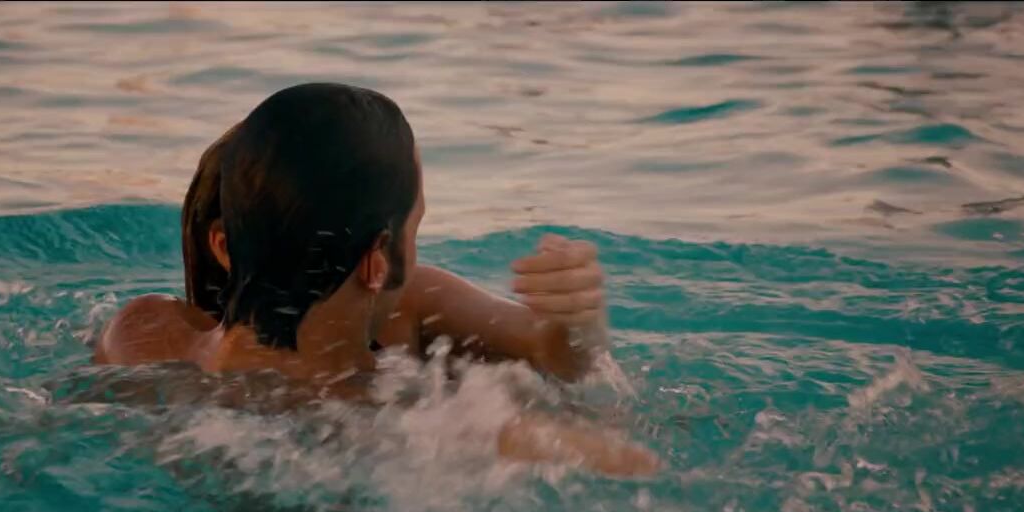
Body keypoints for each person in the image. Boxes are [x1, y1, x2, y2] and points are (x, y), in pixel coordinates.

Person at [89, 82, 658, 477]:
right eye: (416, 224)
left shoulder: (141, 333)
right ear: (377, 259)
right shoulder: (398, 411)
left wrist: (573, 324)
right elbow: (595, 411)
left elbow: (553, 350)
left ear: (222, 244)